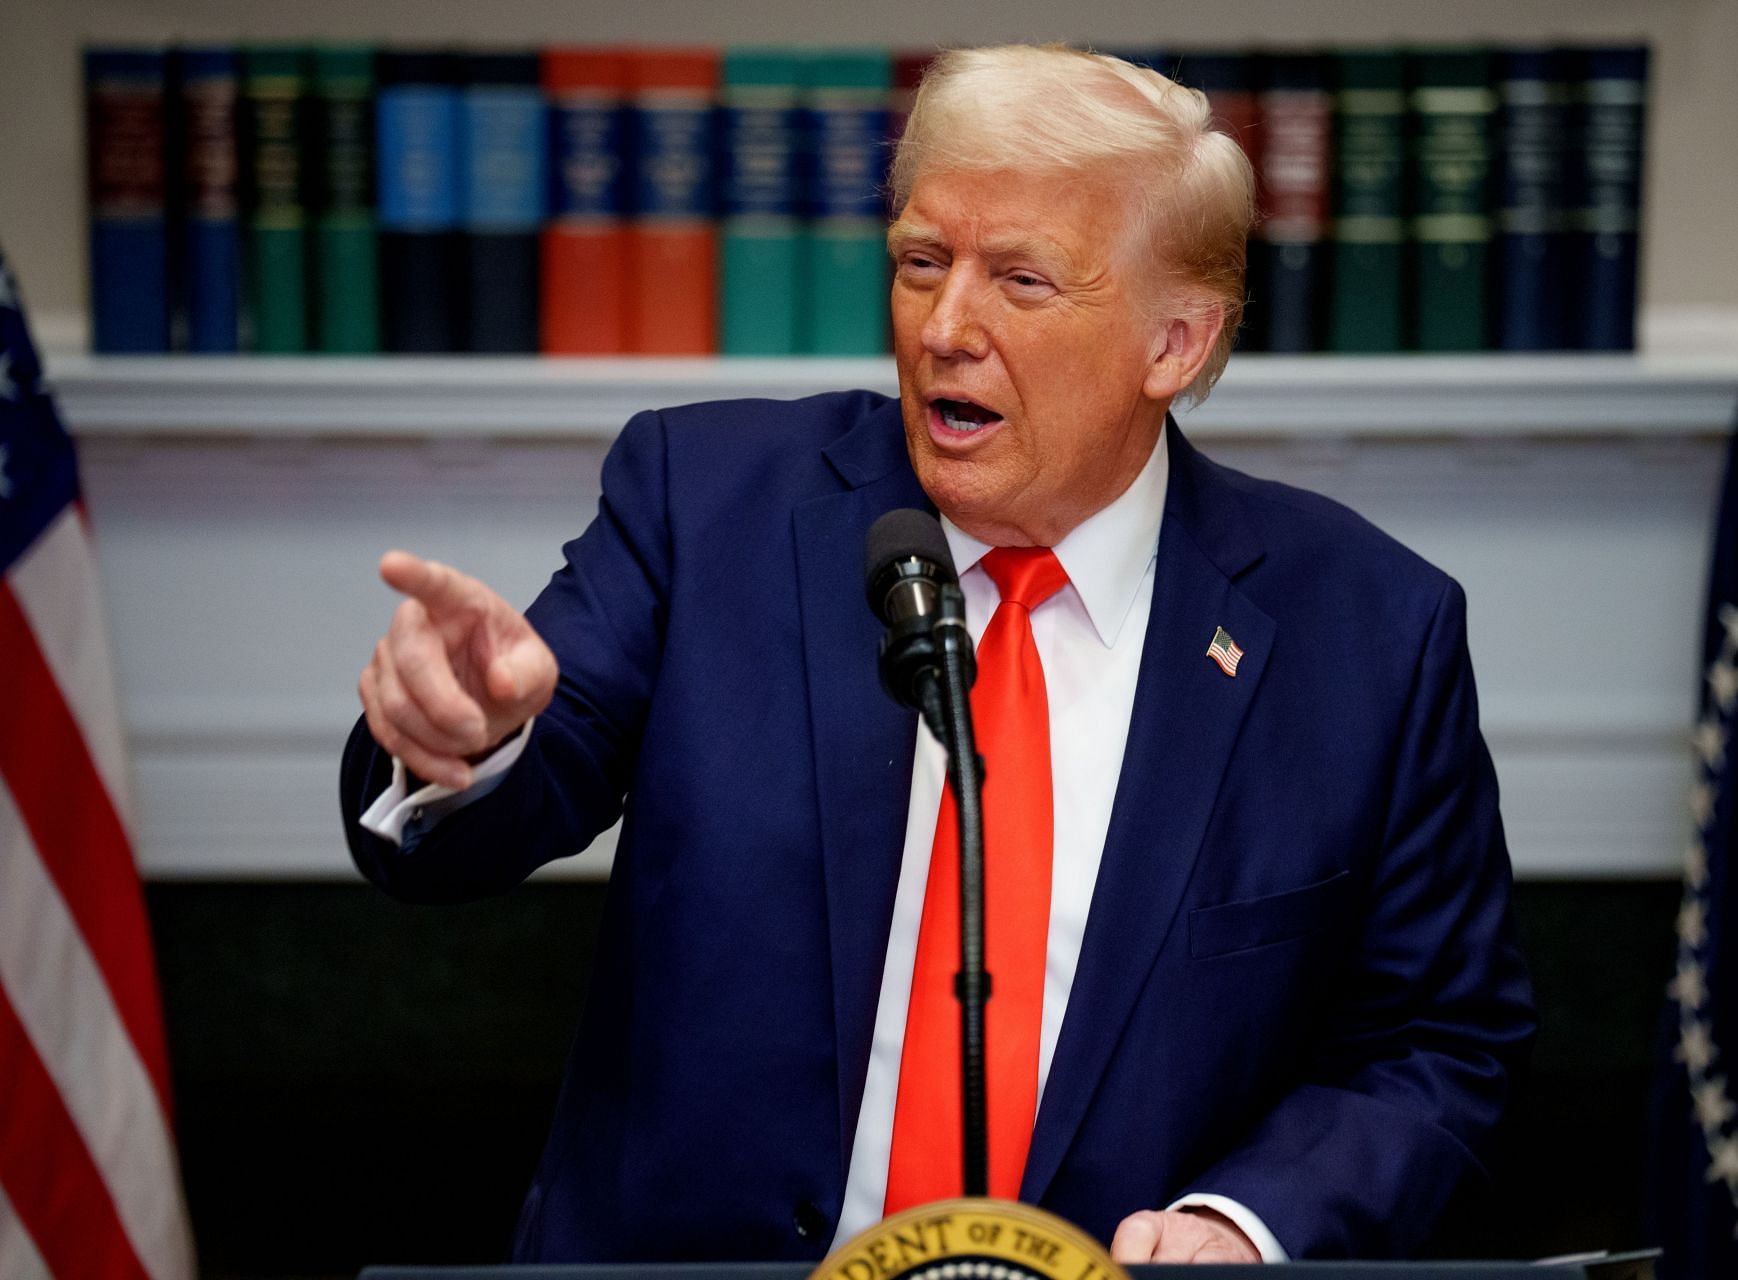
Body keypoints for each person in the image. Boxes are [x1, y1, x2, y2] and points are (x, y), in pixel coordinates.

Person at [340, 44, 1534, 1265]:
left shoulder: (1368, 634)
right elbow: (519, 778)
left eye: (1021, 280)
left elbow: (1438, 1041)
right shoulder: (708, 506)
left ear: (1174, 343)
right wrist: (468, 736)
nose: (944, 328)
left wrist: (1246, 1224)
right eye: (921, 263)